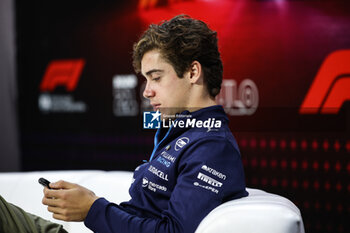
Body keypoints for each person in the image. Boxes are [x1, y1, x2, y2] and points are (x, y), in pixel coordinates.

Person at [0, 15, 248, 233]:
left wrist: (92, 209)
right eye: (146, 80)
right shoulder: (182, 132)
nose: (147, 92)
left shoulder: (213, 148)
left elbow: (173, 230)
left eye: (156, 78)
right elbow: (143, 213)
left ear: (193, 72)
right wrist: (90, 202)